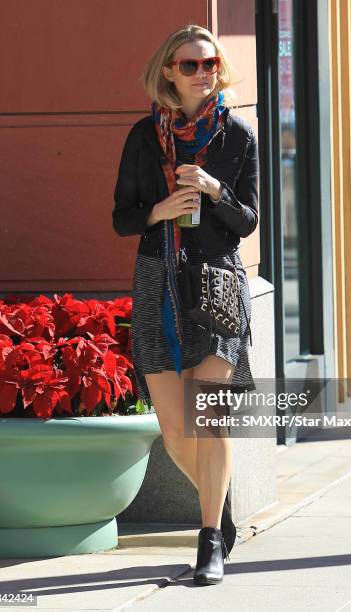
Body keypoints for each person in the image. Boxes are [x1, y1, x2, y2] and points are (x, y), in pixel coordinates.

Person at [112, 24, 259, 585]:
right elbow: (122, 216)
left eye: (211, 62)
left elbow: (248, 221)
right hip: (158, 281)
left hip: (218, 283)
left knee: (206, 417)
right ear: (168, 71)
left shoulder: (238, 134)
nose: (204, 73)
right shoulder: (143, 137)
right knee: (174, 428)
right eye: (191, 64)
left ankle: (208, 542)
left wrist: (216, 190)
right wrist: (159, 210)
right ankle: (219, 513)